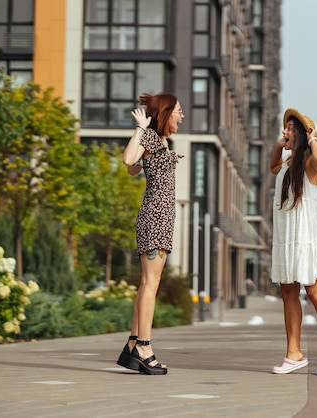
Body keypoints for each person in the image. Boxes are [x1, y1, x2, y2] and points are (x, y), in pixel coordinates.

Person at [270, 108, 317, 376]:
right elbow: (273, 167)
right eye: (285, 128)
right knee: (288, 293)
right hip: (288, 237)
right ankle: (294, 353)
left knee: (315, 292)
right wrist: (279, 147)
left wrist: (314, 139)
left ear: (301, 133)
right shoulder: (289, 165)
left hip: (307, 238)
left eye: (290, 128)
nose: (284, 132)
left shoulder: (311, 164)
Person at [116, 92, 184, 375]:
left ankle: (133, 344)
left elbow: (134, 170)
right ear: (166, 113)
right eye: (178, 111)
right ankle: (144, 347)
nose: (181, 115)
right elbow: (128, 160)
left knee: (148, 284)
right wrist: (141, 129)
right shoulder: (152, 139)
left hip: (160, 219)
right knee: (150, 284)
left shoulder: (162, 143)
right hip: (154, 219)